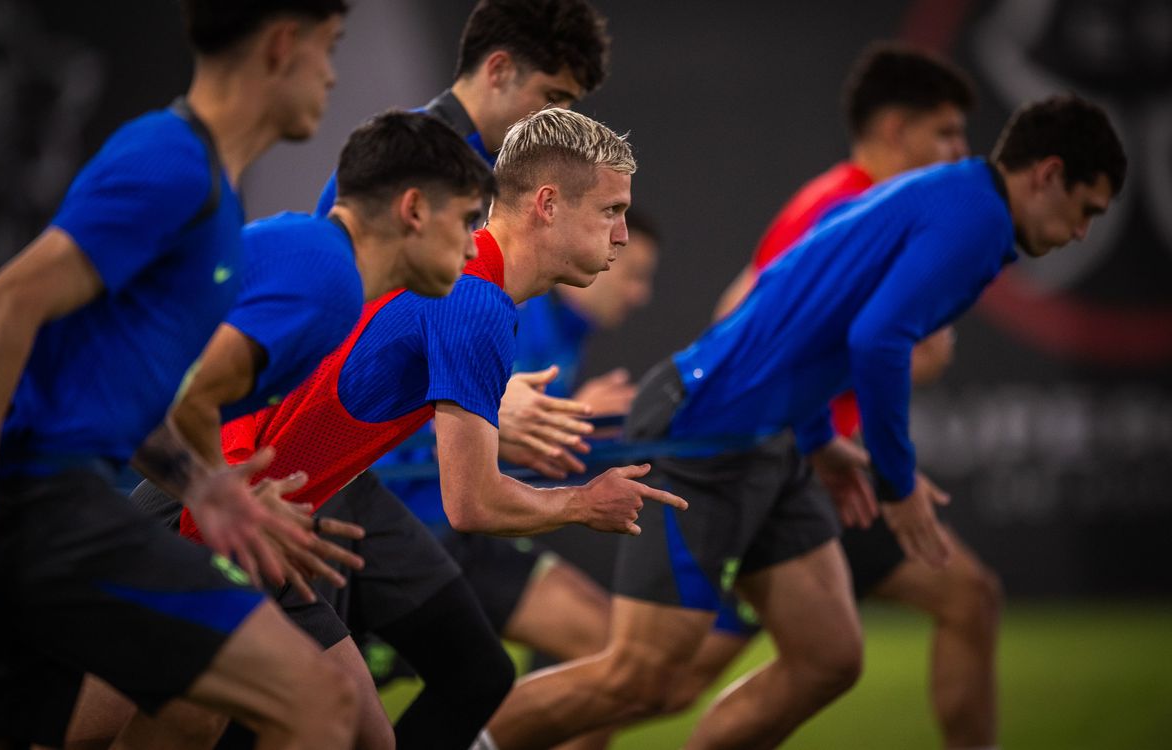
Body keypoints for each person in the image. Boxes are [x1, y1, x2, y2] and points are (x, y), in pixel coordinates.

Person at [480, 93, 1126, 750]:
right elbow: (875, 340)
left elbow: (812, 316)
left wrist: (820, 439)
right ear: (1047, 174)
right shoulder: (975, 219)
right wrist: (898, 486)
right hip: (708, 431)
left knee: (829, 658)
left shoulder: (948, 199)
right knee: (641, 678)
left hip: (773, 439)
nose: (1080, 233)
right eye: (1085, 211)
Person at [212, 107, 684, 750]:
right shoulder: (475, 298)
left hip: (261, 513)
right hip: (230, 519)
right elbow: (472, 501)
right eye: (610, 211)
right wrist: (583, 502)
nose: (623, 235)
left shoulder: (465, 287)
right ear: (547, 204)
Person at [0, 1, 359, 747]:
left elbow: (103, 387)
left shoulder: (211, 191)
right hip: (39, 503)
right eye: (329, 47)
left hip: (56, 500)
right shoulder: (172, 160)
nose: (332, 74)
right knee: (320, 702)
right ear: (283, 44)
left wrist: (206, 485)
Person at [70, 110, 498, 750]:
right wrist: (226, 494)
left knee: (288, 717)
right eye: (467, 221)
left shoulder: (324, 270)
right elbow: (185, 396)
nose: (472, 248)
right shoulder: (327, 280)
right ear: (413, 209)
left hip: (107, 486)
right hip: (50, 483)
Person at [663, 45, 1004, 750]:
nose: (958, 151)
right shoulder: (862, 208)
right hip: (802, 468)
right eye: (944, 133)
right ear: (894, 131)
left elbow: (738, 308)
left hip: (795, 457)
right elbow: (904, 349)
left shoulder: (827, 201)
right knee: (963, 600)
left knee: (667, 678)